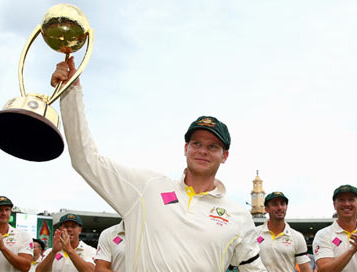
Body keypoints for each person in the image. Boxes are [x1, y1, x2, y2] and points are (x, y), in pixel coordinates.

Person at [52, 57, 266, 271]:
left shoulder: (237, 215)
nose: (202, 151)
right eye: (197, 143)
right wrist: (71, 92)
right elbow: (85, 160)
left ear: (225, 155)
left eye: (212, 147)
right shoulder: (147, 188)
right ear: (186, 148)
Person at [312, 184, 357, 272]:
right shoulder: (323, 235)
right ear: (334, 205)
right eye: (341, 200)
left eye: (351, 199)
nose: (347, 204)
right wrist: (353, 249)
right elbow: (324, 270)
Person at [255, 192, 312, 272]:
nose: (280, 207)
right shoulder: (254, 233)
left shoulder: (297, 237)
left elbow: (305, 269)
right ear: (266, 209)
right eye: (275, 204)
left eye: (282, 204)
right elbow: (244, 264)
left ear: (286, 207)